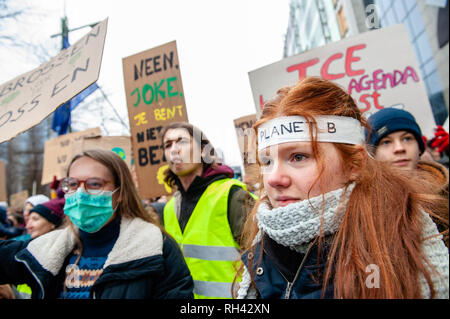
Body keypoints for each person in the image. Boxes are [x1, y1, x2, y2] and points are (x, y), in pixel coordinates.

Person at [235, 77, 449, 299]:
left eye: (298, 157)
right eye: (267, 162)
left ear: (354, 164)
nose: (273, 179)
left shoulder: (403, 248)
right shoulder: (261, 250)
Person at [0, 149, 193, 299]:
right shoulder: (45, 248)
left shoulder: (157, 247)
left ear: (120, 193)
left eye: (94, 184)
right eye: (72, 184)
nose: (81, 193)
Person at [160, 122, 256, 299]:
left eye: (182, 142)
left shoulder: (233, 195)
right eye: (168, 145)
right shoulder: (168, 209)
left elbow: (264, 266)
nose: (174, 150)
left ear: (203, 151)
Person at [366, 108, 448, 246]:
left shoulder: (446, 191)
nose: (399, 148)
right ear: (373, 154)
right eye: (386, 142)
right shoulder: (366, 207)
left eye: (407, 138)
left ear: (420, 148)